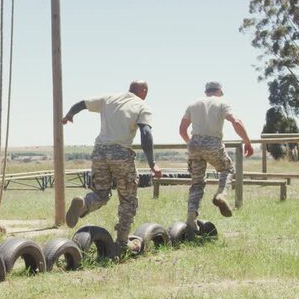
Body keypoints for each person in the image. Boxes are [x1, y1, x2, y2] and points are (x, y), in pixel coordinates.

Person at [63, 81, 162, 257]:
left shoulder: (109, 98)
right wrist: (152, 163)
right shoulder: (142, 106)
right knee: (128, 200)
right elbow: (145, 133)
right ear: (144, 91)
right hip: (121, 153)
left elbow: (82, 104)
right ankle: (122, 244)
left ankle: (83, 204)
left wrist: (69, 115)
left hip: (100, 151)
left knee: (100, 194)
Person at [179, 81, 253, 234]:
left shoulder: (193, 104)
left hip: (194, 143)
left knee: (197, 183)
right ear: (219, 91)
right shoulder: (222, 102)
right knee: (228, 168)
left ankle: (191, 220)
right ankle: (221, 194)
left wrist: (193, 145)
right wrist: (247, 142)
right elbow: (236, 121)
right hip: (213, 142)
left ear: (206, 91)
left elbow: (182, 130)